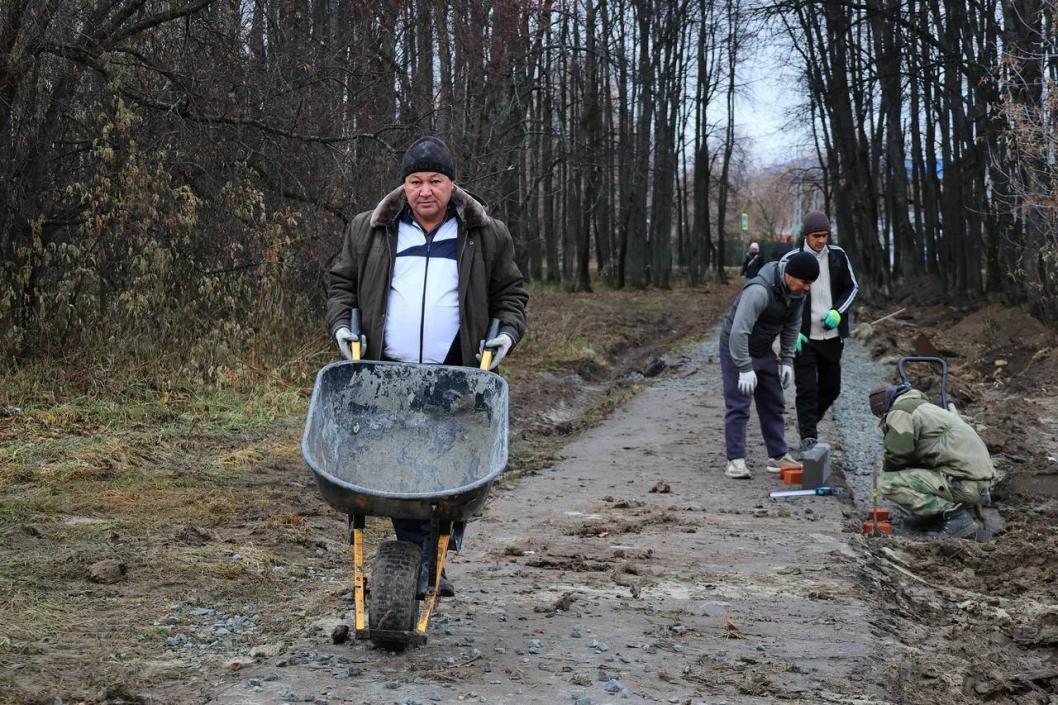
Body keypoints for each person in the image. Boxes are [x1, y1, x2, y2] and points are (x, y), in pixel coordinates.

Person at [325, 136, 529, 595]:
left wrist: (505, 337)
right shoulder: (369, 229)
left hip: (455, 374)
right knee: (400, 468)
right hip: (387, 375)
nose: (425, 191)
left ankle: (433, 550)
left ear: (453, 185)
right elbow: (341, 284)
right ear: (403, 186)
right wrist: (342, 326)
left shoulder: (486, 234)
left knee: (445, 469)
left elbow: (511, 295)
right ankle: (417, 558)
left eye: (435, 181)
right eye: (415, 181)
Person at [719, 251, 820, 479]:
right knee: (739, 402)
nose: (807, 288)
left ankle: (777, 456)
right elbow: (738, 332)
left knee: (773, 400)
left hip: (763, 348)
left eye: (811, 283)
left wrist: (786, 360)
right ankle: (735, 460)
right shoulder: (758, 291)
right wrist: (744, 367)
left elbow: (793, 326)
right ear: (790, 275)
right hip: (736, 346)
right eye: (805, 282)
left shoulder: (797, 293)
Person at [869, 383, 995, 539]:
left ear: (883, 409)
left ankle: (956, 518)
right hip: (978, 482)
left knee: (888, 483)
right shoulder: (921, 407)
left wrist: (886, 470)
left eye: (881, 415)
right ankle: (932, 516)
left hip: (966, 484)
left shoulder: (901, 411)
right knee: (908, 473)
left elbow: (897, 455)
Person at [780, 211, 858, 455]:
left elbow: (852, 287)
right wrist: (789, 332)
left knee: (831, 387)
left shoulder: (838, 256)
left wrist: (838, 312)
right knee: (806, 389)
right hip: (804, 338)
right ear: (807, 236)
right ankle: (808, 438)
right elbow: (780, 295)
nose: (821, 240)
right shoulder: (793, 259)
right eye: (816, 236)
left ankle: (809, 422)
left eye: (825, 235)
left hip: (832, 336)